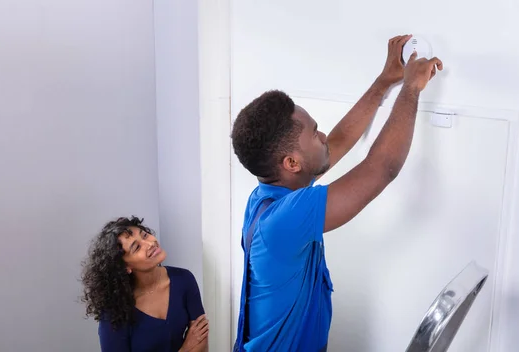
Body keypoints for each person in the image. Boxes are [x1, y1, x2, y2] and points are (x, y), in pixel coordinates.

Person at [230, 35, 443, 351]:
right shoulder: (285, 219)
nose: (324, 135)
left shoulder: (275, 192)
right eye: (315, 134)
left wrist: (384, 82)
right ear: (292, 163)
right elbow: (381, 168)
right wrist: (411, 88)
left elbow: (338, 141)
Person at [81, 216, 209, 352]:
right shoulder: (114, 311)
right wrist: (186, 348)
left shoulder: (184, 279)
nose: (150, 244)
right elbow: (192, 344)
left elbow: (201, 339)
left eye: (145, 235)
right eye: (136, 247)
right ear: (125, 267)